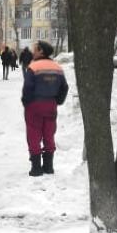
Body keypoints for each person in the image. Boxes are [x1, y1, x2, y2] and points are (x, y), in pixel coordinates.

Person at [22, 40, 69, 177]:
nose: (33, 52)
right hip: (51, 105)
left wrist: (27, 102)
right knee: (49, 134)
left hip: (35, 105)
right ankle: (48, 167)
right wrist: (58, 101)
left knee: (34, 134)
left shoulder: (34, 67)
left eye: (35, 49)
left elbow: (28, 88)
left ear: (41, 51)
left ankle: (36, 168)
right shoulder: (57, 68)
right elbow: (64, 87)